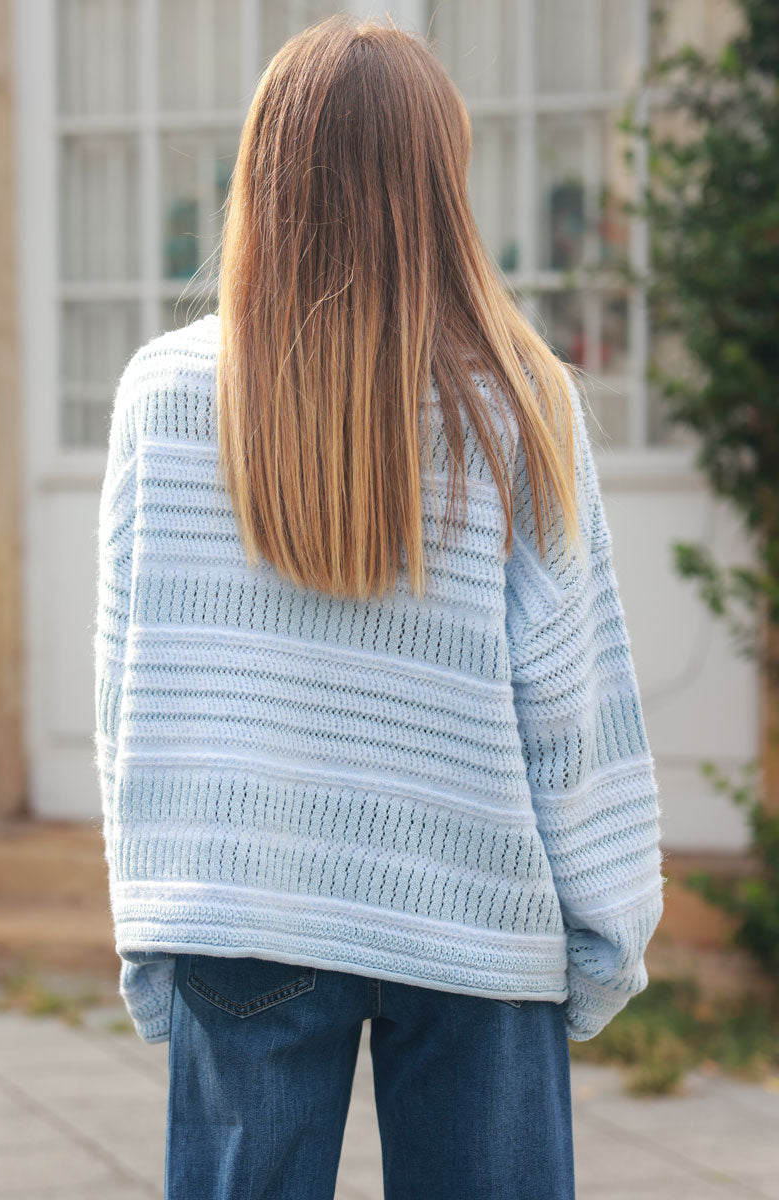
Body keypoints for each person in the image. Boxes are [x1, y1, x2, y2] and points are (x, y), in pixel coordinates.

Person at [93, 14, 665, 1200]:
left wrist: (150, 917)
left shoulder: (164, 395)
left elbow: (127, 689)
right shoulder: (517, 401)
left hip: (241, 896)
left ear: (263, 171)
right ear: (438, 182)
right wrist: (608, 931)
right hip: (470, 907)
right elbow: (572, 697)